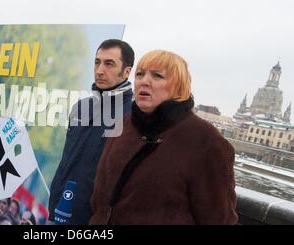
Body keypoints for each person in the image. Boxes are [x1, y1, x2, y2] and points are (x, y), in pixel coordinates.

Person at [90, 50, 238, 224]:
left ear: (179, 86)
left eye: (157, 76)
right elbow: (99, 200)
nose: (144, 81)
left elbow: (218, 218)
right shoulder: (122, 126)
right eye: (140, 74)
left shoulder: (206, 142)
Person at [48, 39, 135, 224]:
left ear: (126, 71)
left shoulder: (133, 117)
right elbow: (67, 162)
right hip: (57, 212)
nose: (99, 70)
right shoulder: (80, 107)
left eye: (109, 64)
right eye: (97, 62)